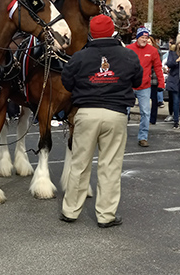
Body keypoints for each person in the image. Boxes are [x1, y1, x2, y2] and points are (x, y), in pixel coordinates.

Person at [59, 15, 142, 228]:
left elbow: (67, 81)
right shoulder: (128, 55)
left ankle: (70, 211)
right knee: (110, 165)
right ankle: (106, 215)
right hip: (115, 112)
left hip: (86, 112)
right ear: (112, 31)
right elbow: (138, 80)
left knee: (79, 163)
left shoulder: (79, 57)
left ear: (92, 33)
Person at [126, 27, 165, 147]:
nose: (144, 39)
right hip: (128, 86)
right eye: (142, 37)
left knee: (145, 112)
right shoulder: (128, 49)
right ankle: (120, 135)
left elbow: (158, 68)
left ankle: (143, 137)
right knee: (124, 111)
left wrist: (161, 83)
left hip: (144, 86)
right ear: (137, 38)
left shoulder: (153, 51)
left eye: (146, 37)